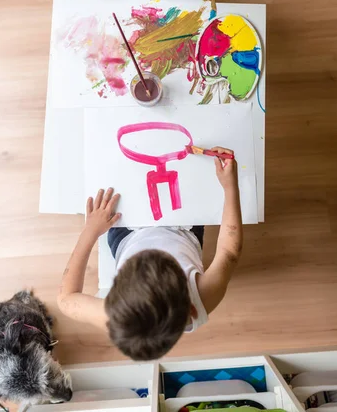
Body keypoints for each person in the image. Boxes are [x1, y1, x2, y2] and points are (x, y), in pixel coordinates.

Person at [58, 146, 243, 361]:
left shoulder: (114, 313)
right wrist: (230, 188)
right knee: (190, 175)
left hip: (125, 237)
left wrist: (90, 231)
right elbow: (229, 251)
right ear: (192, 309)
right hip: (185, 229)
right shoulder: (204, 297)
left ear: (113, 301)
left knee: (117, 174)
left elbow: (66, 299)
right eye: (168, 261)